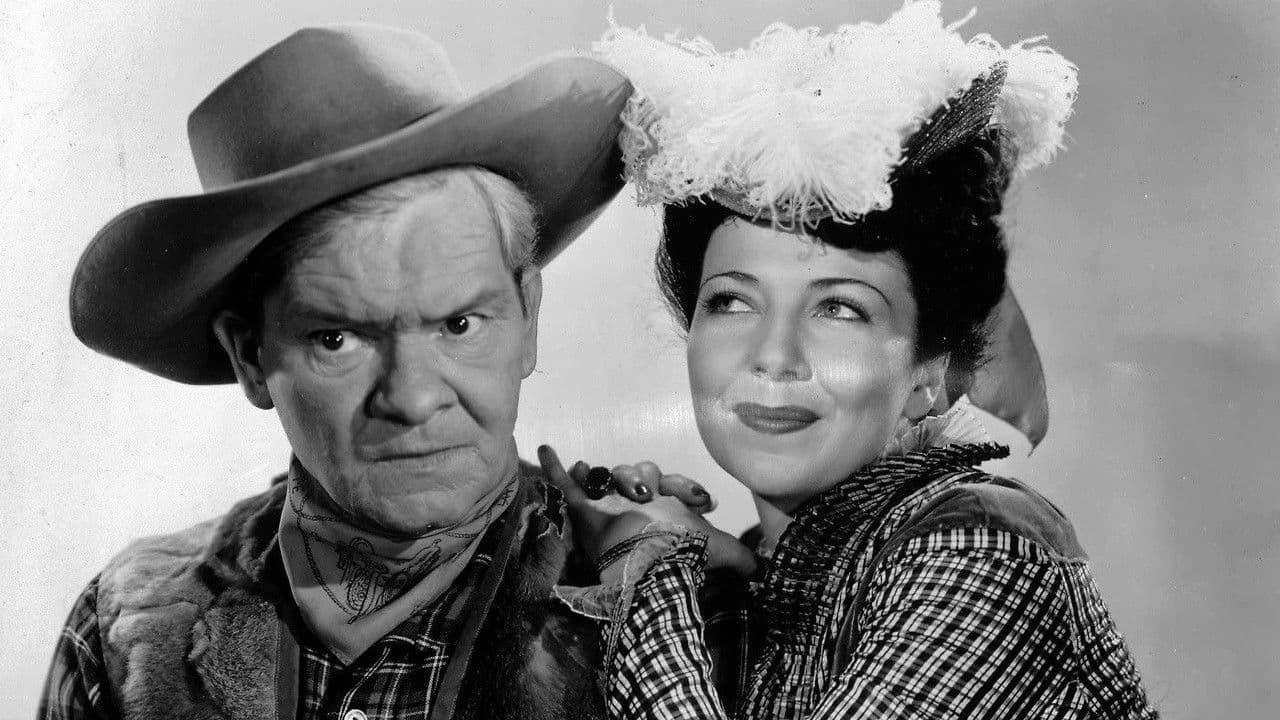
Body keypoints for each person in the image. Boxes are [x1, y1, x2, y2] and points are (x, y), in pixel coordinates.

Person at [40, 23, 727, 720]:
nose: (414, 397)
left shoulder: (664, 606)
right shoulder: (127, 631)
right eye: (337, 338)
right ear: (250, 357)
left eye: (459, 324)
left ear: (528, 317)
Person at [539, 3, 1159, 718]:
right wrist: (711, 581)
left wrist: (647, 563)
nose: (773, 357)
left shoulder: (982, 548)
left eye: (839, 309)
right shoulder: (769, 570)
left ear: (929, 376)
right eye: (732, 302)